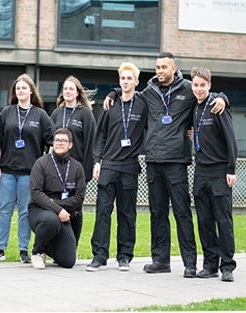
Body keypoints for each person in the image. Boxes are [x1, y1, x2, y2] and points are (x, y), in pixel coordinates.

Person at [104, 52, 228, 277]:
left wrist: (223, 98)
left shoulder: (187, 89)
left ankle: (190, 263)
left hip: (176, 162)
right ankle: (160, 260)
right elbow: (129, 92)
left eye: (164, 67)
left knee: (182, 213)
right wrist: (113, 92)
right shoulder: (149, 92)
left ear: (173, 68)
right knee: (157, 213)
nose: (160, 70)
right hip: (153, 161)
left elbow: (205, 93)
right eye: (157, 67)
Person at [86, 62, 147, 272]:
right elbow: (100, 136)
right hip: (109, 166)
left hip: (130, 167)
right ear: (119, 82)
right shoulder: (110, 105)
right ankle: (99, 256)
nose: (126, 81)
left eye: (130, 78)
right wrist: (97, 161)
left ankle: (124, 257)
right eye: (123, 79)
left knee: (127, 214)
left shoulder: (143, 104)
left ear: (137, 82)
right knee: (103, 212)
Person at [0, 74, 55, 263]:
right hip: (7, 171)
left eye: (24, 88)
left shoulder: (40, 115)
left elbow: (51, 141)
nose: (20, 91)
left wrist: (45, 164)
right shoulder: (6, 112)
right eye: (17, 88)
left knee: (26, 212)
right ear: (15, 92)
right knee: (4, 210)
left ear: (31, 91)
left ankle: (23, 250)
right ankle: (0, 248)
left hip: (30, 173)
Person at [191, 67, 237, 282]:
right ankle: (210, 264)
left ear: (209, 85)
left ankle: (227, 266)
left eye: (203, 85)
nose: (199, 89)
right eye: (196, 85)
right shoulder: (194, 107)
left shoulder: (218, 106)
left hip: (219, 172)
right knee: (204, 222)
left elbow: (231, 140)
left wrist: (231, 169)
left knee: (223, 221)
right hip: (200, 172)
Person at [28, 128, 86, 269]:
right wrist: (57, 209)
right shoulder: (41, 163)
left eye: (63, 141)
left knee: (68, 262)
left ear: (70, 144)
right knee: (51, 220)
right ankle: (38, 252)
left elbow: (79, 198)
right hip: (40, 211)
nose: (59, 143)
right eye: (56, 140)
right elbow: (36, 193)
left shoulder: (77, 167)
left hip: (64, 213)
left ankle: (51, 246)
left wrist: (59, 206)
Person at [50, 76, 96, 247]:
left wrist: (87, 172)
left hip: (77, 171)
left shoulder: (85, 113)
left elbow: (91, 142)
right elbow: (51, 142)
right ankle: (57, 245)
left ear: (77, 92)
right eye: (65, 89)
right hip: (56, 170)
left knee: (75, 210)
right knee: (56, 207)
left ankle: (71, 246)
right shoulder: (56, 113)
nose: (67, 91)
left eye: (71, 89)